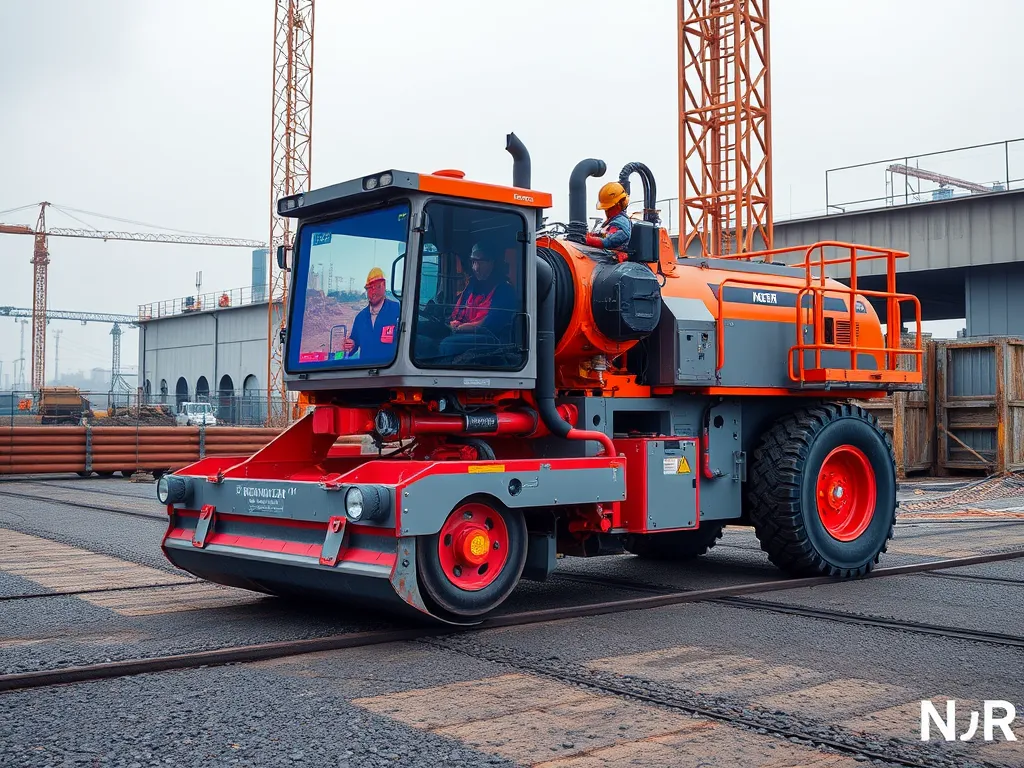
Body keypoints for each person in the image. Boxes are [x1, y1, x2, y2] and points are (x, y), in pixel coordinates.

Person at [438, 244, 518, 361]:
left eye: (480, 262)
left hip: (490, 338)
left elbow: (489, 324)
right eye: (473, 262)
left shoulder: (504, 290)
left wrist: (460, 328)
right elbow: (459, 311)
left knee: (447, 345)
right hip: (464, 331)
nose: (475, 268)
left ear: (492, 263)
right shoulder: (472, 285)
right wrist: (451, 322)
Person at [343, 266, 401, 364]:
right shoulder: (360, 318)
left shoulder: (397, 310)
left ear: (384, 286)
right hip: (366, 372)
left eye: (377, 287)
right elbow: (354, 343)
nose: (373, 292)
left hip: (390, 372)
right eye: (369, 288)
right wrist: (351, 345)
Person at [586, 181, 632, 250]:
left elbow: (611, 240)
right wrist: (592, 235)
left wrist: (591, 241)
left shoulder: (621, 222)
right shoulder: (611, 221)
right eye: (605, 209)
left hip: (615, 259)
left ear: (619, 205)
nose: (607, 212)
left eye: (610, 208)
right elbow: (602, 234)